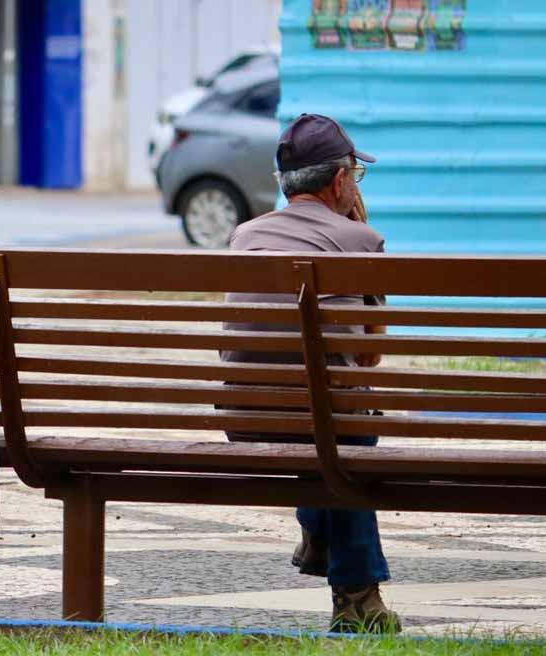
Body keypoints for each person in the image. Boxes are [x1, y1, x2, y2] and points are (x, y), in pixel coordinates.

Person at [221, 113, 399, 633]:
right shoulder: (360, 239)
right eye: (354, 176)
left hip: (246, 417)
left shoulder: (244, 236)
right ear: (341, 181)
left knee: (317, 405)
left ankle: (320, 537)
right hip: (330, 426)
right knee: (341, 417)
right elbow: (367, 357)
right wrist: (357, 229)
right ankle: (358, 597)